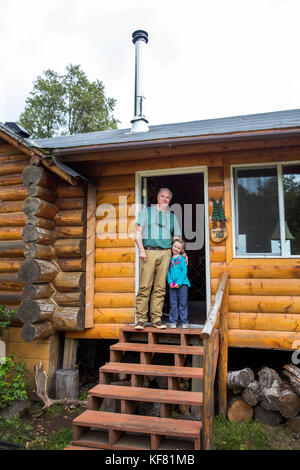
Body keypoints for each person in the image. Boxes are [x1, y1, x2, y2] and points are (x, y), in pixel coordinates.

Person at [134, 188, 184, 330]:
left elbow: (176, 238)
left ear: (170, 200)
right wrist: (141, 250)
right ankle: (141, 320)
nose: (165, 199)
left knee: (160, 288)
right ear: (157, 197)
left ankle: (156, 319)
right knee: (145, 286)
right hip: (148, 252)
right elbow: (138, 232)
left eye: (167, 197)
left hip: (166, 253)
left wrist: (182, 253)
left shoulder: (172, 216)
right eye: (162, 196)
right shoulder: (146, 212)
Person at [167, 238, 191, 328]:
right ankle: (173, 321)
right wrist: (170, 282)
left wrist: (179, 283)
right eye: (175, 246)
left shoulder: (182, 259)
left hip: (182, 284)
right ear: (172, 246)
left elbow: (184, 271)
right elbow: (167, 271)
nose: (176, 249)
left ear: (181, 250)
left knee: (182, 303)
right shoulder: (169, 259)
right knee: (173, 303)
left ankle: (184, 321)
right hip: (172, 284)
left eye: (178, 248)